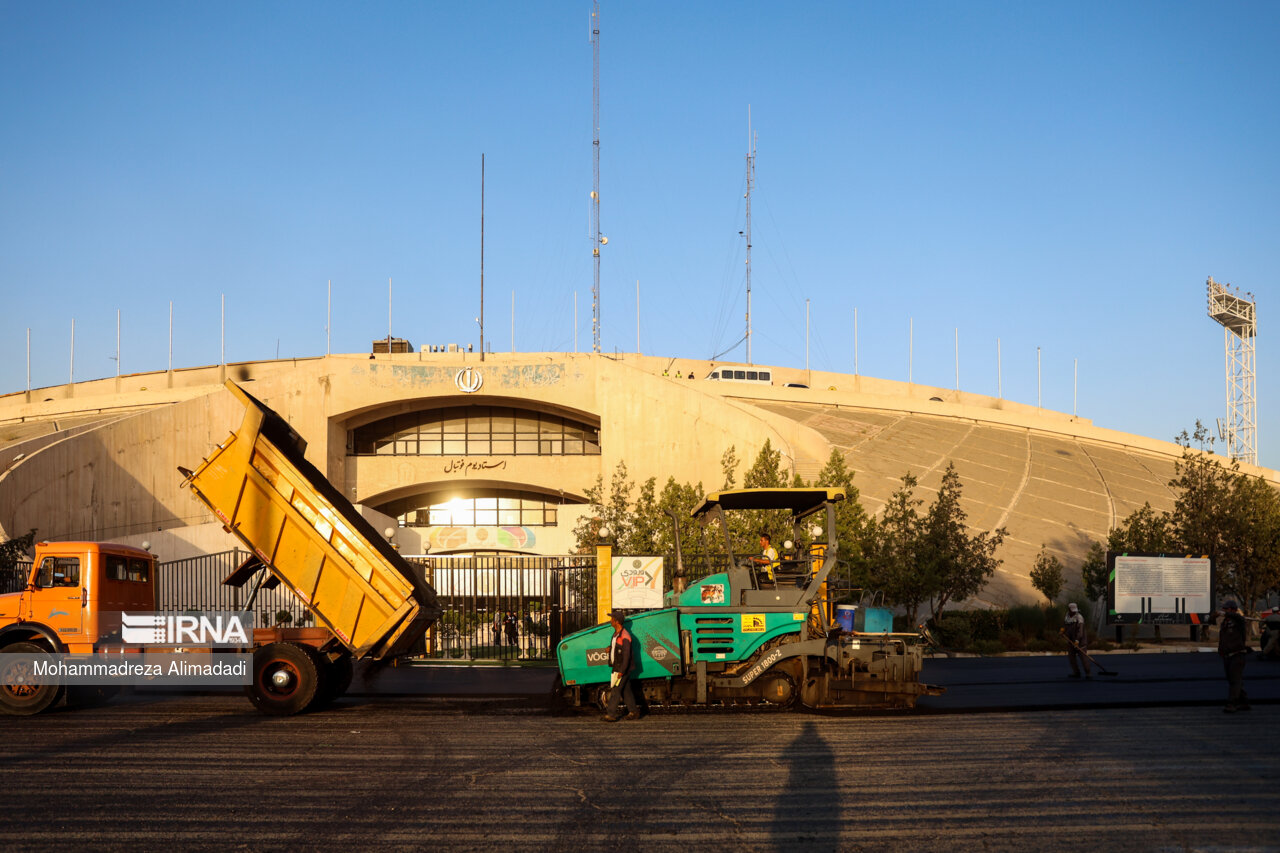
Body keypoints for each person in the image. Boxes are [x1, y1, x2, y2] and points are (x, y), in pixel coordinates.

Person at [602, 610, 643, 722]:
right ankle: (634, 712)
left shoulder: (625, 636)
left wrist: (622, 671)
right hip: (617, 666)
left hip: (622, 668)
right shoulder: (616, 634)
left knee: (615, 690)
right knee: (626, 691)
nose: (610, 621)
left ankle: (610, 714)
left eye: (612, 619)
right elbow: (617, 648)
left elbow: (626, 655)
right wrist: (610, 649)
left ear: (617, 621)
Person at [1217, 600, 1250, 712]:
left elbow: (1238, 617)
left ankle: (1232, 703)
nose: (1224, 610)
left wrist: (1223, 614)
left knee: (1235, 680)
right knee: (1233, 679)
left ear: (1232, 609)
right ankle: (1244, 701)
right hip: (1227, 655)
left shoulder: (1239, 621)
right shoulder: (1225, 623)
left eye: (1226, 609)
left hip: (1237, 654)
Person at [1061, 602, 1091, 679]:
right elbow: (1064, 625)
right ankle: (1076, 672)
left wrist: (1077, 641)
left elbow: (1080, 631)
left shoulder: (1079, 617)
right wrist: (1062, 630)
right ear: (1069, 609)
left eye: (1075, 610)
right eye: (1072, 610)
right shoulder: (1067, 616)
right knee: (1071, 658)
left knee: (1083, 658)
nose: (1074, 611)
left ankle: (1088, 673)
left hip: (1080, 641)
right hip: (1070, 641)